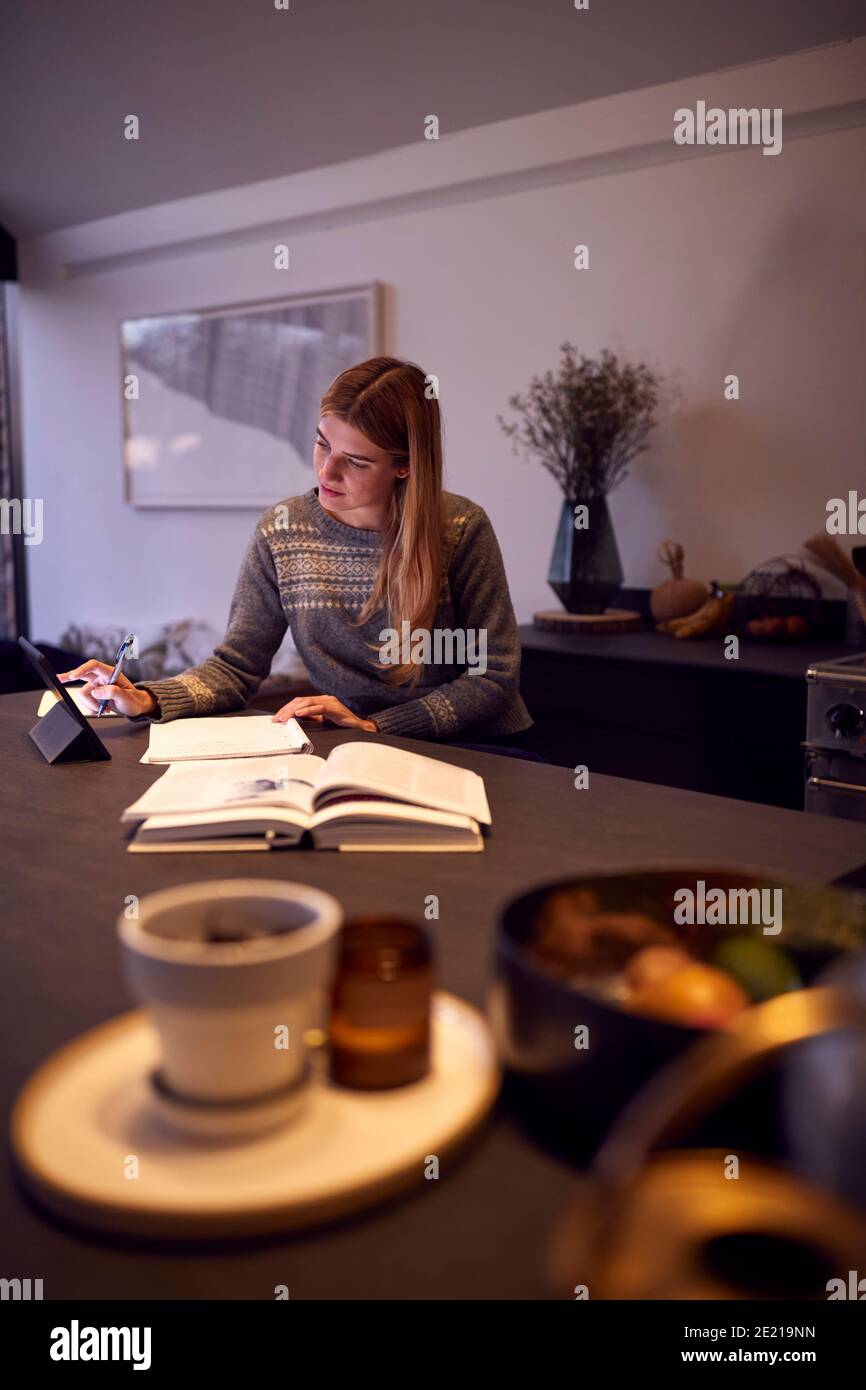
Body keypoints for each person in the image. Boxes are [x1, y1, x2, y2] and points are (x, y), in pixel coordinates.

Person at [59, 356, 547, 758]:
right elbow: (236, 667)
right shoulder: (283, 530)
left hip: (479, 750)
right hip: (355, 747)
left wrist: (378, 727)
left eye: (355, 461)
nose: (326, 470)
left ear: (405, 466)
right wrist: (146, 698)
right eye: (321, 442)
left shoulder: (460, 529)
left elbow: (493, 675)